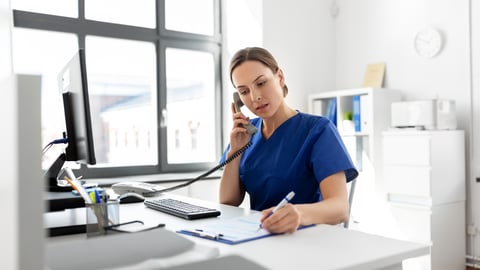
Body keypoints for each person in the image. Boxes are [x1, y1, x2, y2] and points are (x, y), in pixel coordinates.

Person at [219, 47, 358, 234]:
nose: (255, 97)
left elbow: (340, 209)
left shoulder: (317, 131)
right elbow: (228, 203)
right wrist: (234, 152)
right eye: (244, 91)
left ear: (280, 77)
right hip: (258, 237)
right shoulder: (245, 135)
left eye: (261, 83)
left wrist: (298, 214)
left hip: (308, 240)